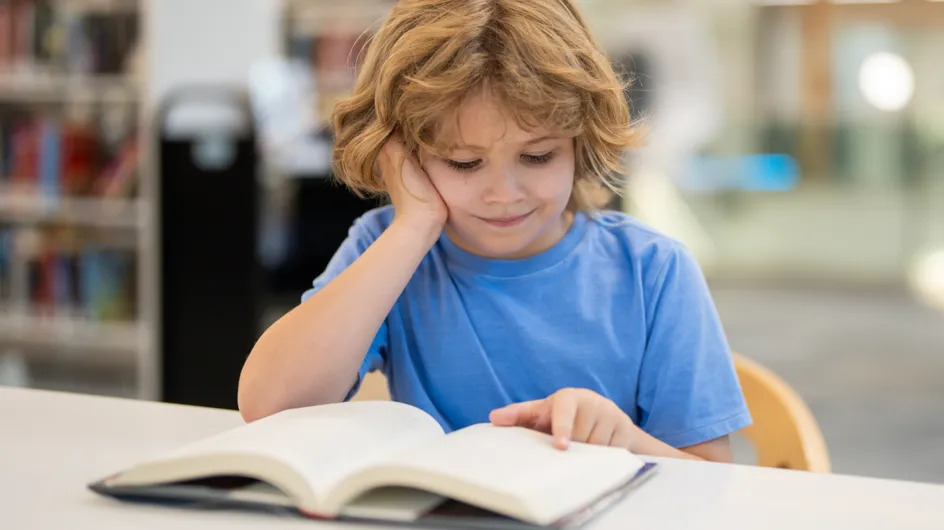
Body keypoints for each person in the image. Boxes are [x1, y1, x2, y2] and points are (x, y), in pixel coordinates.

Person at [238, 0, 751, 462]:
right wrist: (414, 226)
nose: (504, 193)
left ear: (580, 139)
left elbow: (710, 481)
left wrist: (624, 440)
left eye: (537, 156)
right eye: (463, 163)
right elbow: (268, 403)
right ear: (405, 155)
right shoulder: (390, 249)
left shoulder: (653, 271)